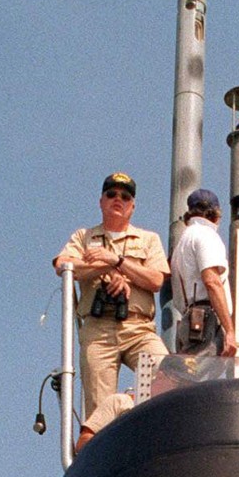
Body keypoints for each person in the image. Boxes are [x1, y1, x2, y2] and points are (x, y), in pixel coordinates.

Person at [53, 173, 169, 449]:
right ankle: (105, 456)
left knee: (167, 375)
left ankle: (134, 415)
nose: (118, 200)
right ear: (101, 201)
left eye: (125, 197)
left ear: (133, 206)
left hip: (138, 327)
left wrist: (117, 261)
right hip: (98, 330)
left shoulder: (148, 239)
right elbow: (63, 265)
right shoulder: (84, 236)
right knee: (98, 412)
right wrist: (106, 267)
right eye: (112, 194)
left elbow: (155, 279)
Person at [169, 189, 236, 356]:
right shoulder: (207, 235)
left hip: (188, 319)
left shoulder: (182, 243)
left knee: (189, 375)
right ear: (215, 215)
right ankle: (159, 381)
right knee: (191, 373)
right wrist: (230, 331)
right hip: (206, 319)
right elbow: (212, 282)